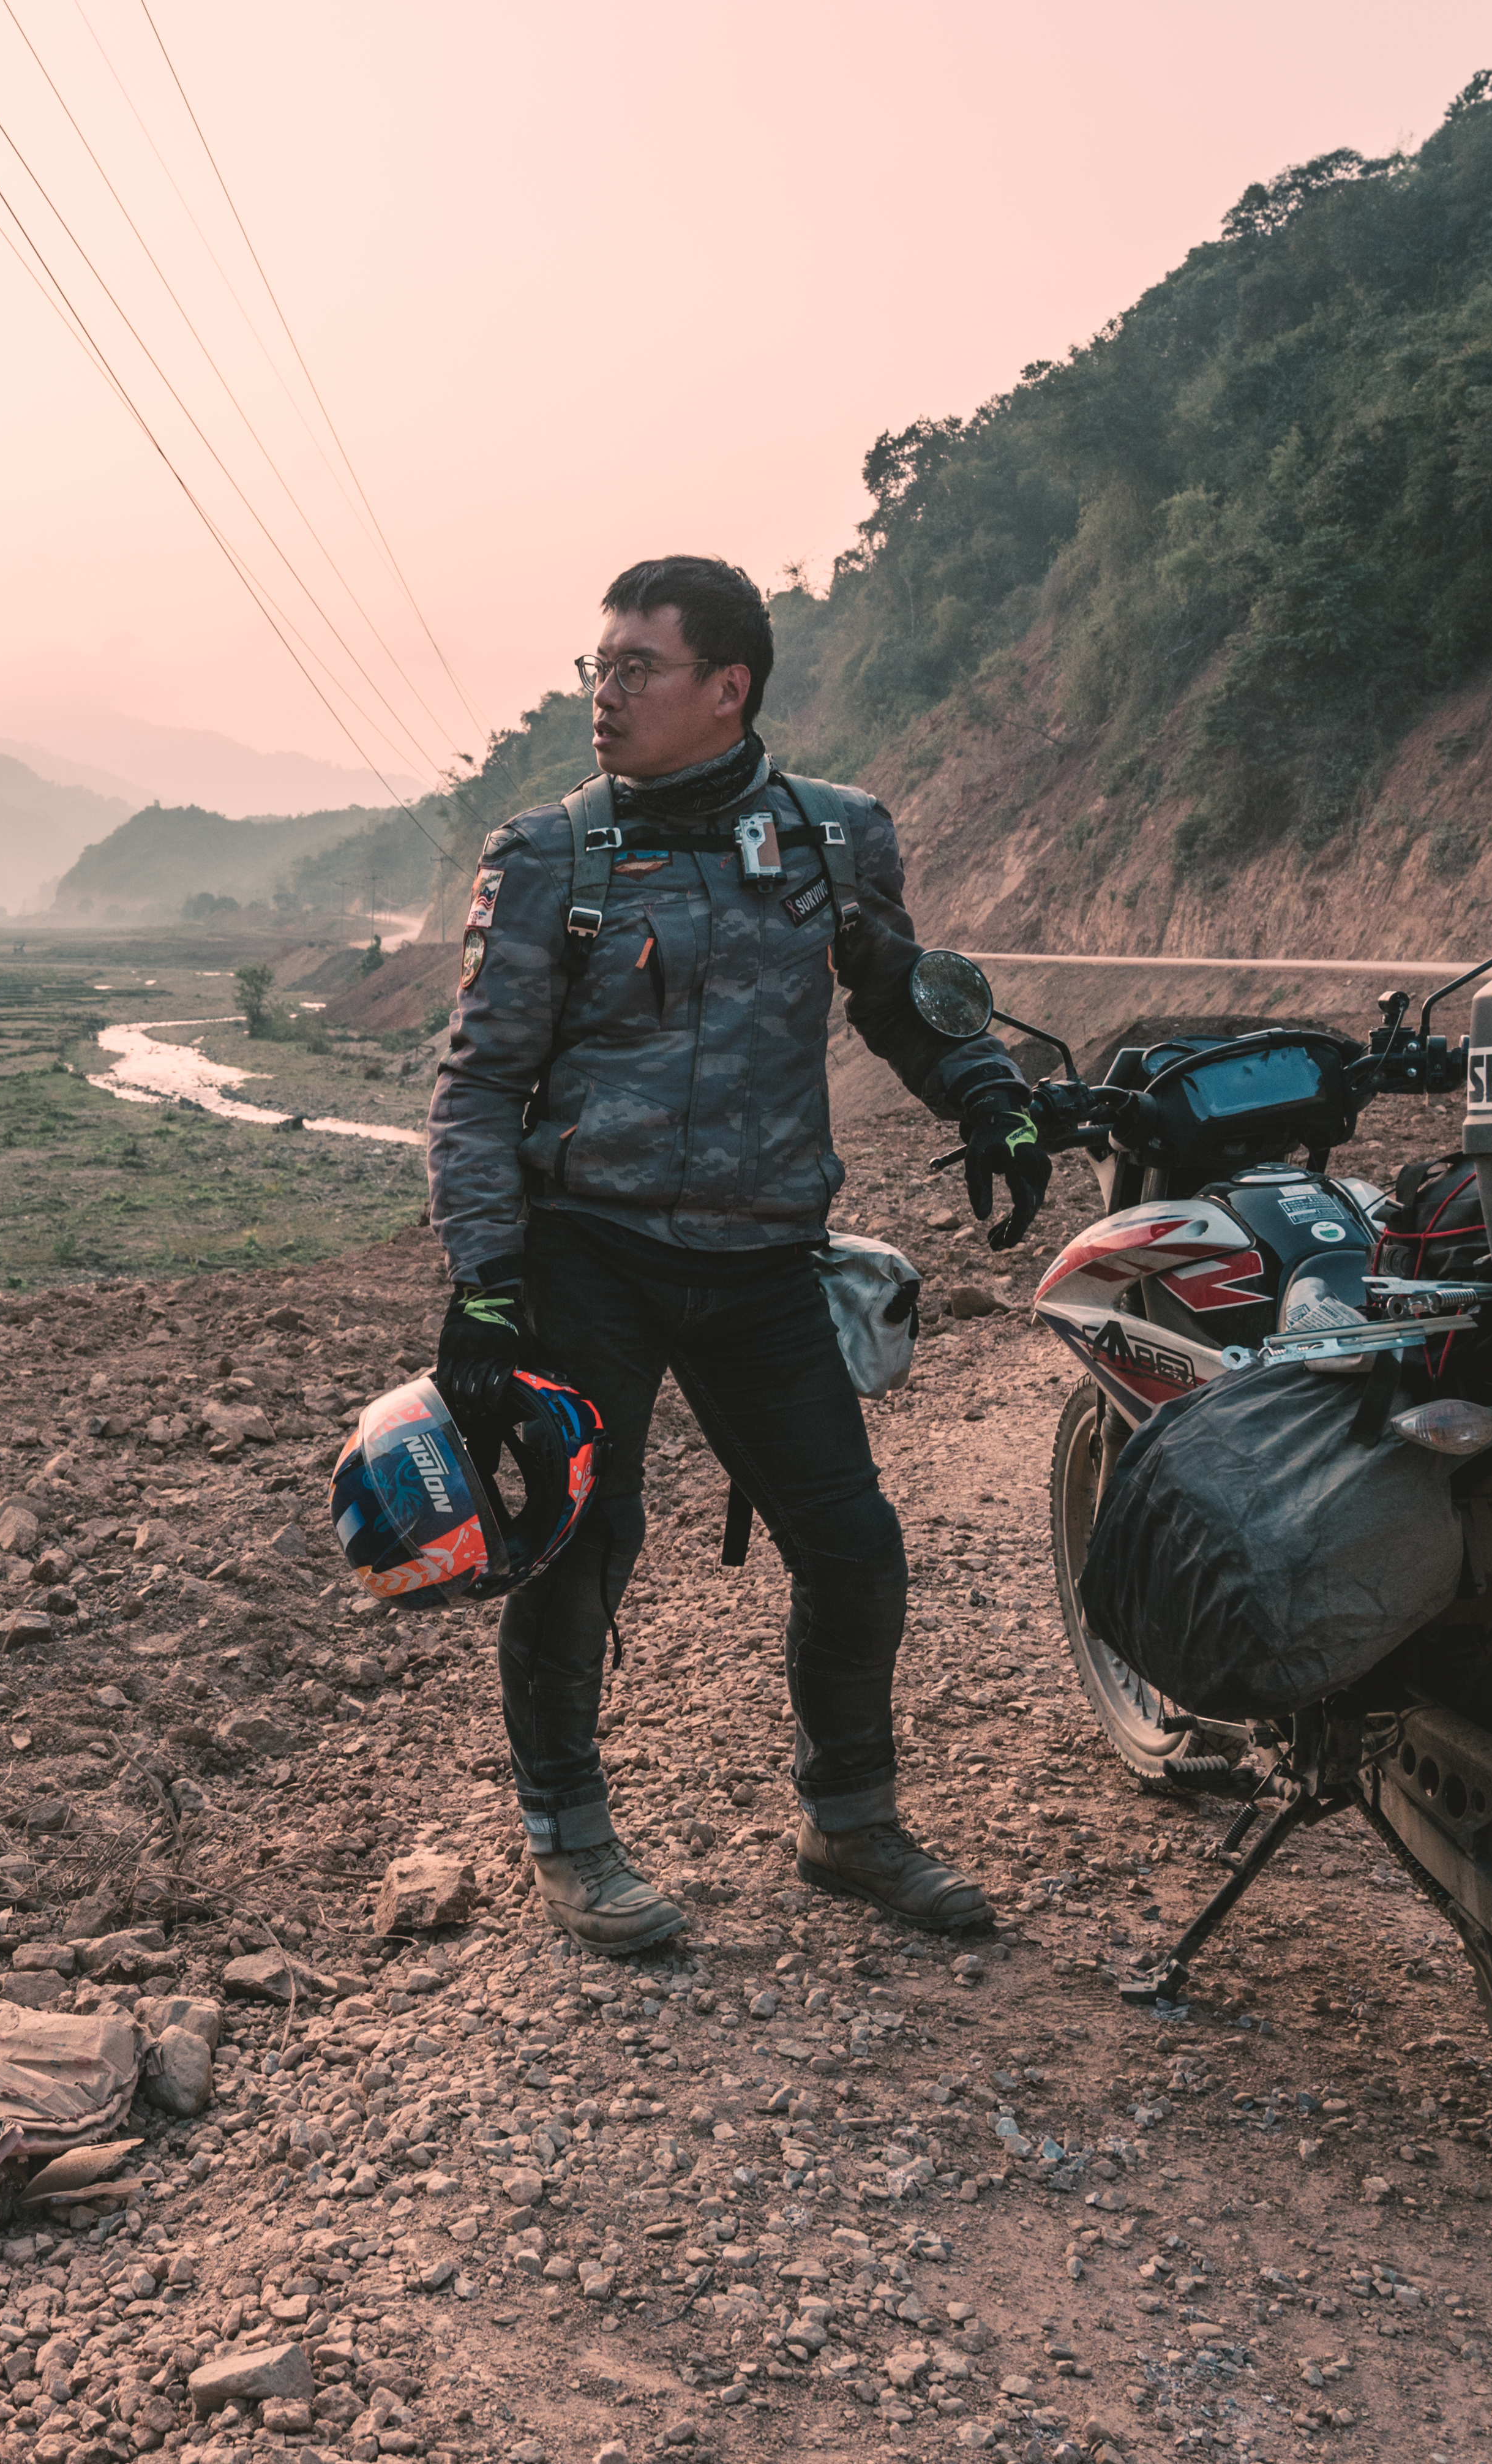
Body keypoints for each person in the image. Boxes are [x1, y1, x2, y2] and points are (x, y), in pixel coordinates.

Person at [424, 554, 1052, 1953]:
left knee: (852, 1545)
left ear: (729, 688)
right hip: (593, 1252)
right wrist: (483, 1276)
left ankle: (851, 1818)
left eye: (637, 668)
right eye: (599, 666)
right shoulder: (552, 856)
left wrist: (989, 1093)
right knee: (581, 1548)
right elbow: (477, 1084)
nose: (605, 692)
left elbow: (903, 1001)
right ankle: (572, 1840)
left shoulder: (835, 840)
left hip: (767, 1257)